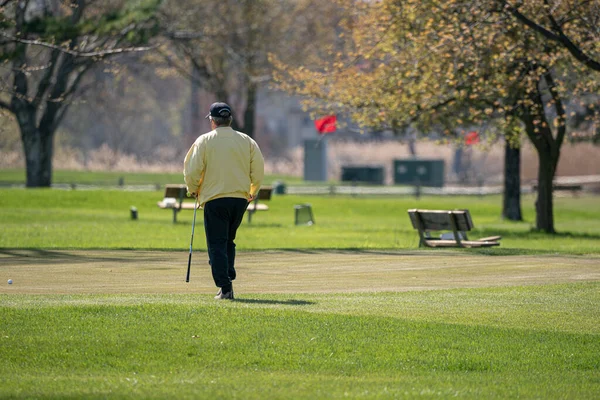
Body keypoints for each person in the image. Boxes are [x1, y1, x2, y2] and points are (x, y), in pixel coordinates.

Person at [183, 102, 264, 300]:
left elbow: (192, 169)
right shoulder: (247, 140)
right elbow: (258, 169)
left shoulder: (204, 141)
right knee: (228, 240)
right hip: (239, 199)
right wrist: (253, 191)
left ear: (212, 121)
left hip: (215, 199)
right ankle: (228, 274)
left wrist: (192, 189)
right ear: (230, 120)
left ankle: (225, 286)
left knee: (217, 244)